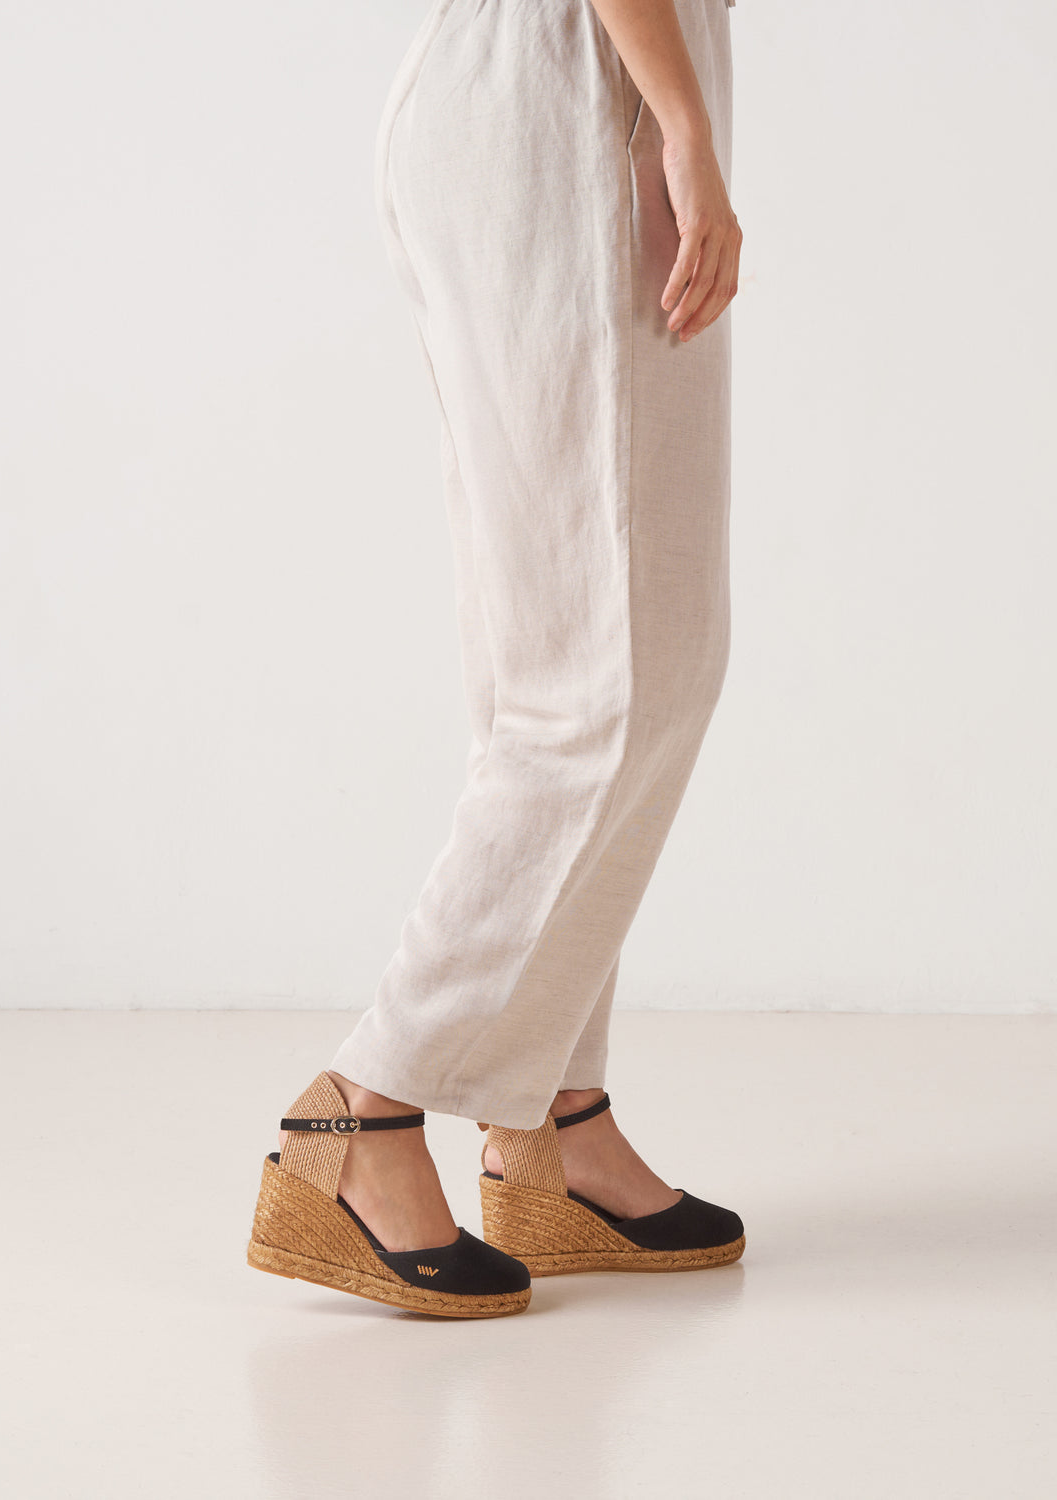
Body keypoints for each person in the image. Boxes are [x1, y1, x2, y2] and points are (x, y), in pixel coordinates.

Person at [247, 0, 745, 1318]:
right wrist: (683, 125)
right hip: (570, 94)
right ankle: (358, 1119)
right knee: (597, 677)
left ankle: (549, 1127)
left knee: (649, 651)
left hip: (608, 85)